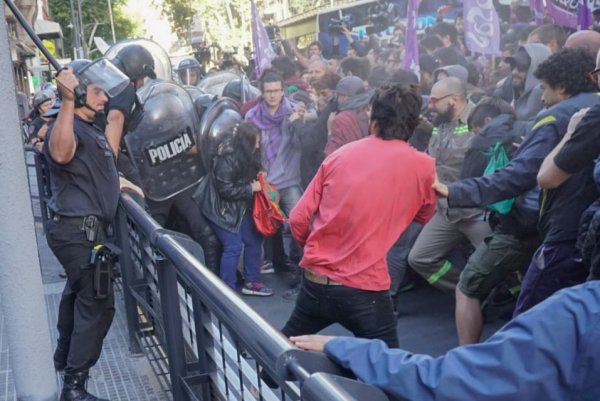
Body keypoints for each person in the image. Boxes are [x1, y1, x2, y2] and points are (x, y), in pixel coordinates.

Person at [435, 48, 600, 317]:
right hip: (584, 229)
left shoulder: (557, 117)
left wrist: (454, 191)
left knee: (530, 320)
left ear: (561, 86)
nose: (542, 96)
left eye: (544, 88)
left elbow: (528, 176)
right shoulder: (592, 106)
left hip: (565, 230)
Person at [279, 83, 436, 348]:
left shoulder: (340, 155)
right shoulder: (424, 166)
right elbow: (423, 215)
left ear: (373, 120)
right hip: (366, 290)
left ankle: (257, 387)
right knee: (387, 365)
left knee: (283, 348)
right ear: (412, 124)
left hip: (317, 282)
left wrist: (314, 247)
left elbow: (297, 218)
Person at [290, 280, 600, 401]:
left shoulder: (582, 312)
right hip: (372, 289)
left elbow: (454, 384)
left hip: (317, 281)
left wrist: (349, 349)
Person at [43, 60, 143, 401]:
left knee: (80, 293)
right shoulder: (67, 125)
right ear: (80, 90)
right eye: (98, 92)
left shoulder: (90, 129)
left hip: (80, 233)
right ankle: (74, 387)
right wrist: (67, 101)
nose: (105, 100)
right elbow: (59, 152)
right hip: (77, 233)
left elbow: (98, 170)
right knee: (99, 304)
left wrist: (117, 182)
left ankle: (63, 357)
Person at [408, 77, 490, 293]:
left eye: (434, 100)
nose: (430, 105)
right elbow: (434, 158)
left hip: (476, 211)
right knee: (419, 259)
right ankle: (467, 292)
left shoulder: (480, 119)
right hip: (446, 210)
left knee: (502, 264)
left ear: (453, 99)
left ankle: (511, 299)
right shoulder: (439, 123)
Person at [199, 121, 273, 296]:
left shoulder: (248, 154)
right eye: (255, 141)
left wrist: (261, 173)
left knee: (254, 240)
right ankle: (227, 290)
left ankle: (252, 281)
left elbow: (250, 171)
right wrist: (250, 188)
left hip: (239, 206)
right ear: (246, 142)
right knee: (233, 246)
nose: (258, 144)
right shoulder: (226, 158)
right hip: (220, 208)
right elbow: (225, 190)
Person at [494, 43, 551, 121]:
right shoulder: (508, 87)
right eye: (513, 65)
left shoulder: (540, 93)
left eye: (522, 67)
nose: (514, 72)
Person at [324, 76, 370, 156]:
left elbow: (332, 154)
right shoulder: (370, 110)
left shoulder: (342, 118)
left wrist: (330, 131)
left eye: (338, 95)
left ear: (344, 97)